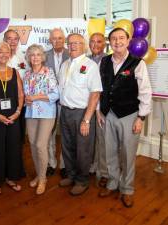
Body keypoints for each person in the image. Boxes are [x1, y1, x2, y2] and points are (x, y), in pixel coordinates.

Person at [98, 28, 152, 208]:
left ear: (128, 41)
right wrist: (99, 110)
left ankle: (127, 189)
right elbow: (100, 89)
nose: (117, 41)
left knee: (128, 154)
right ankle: (113, 183)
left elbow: (145, 92)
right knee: (109, 151)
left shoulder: (138, 63)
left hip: (129, 115)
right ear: (110, 42)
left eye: (121, 38)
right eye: (113, 38)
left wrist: (141, 118)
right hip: (108, 114)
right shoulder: (104, 62)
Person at [58, 33, 102, 196]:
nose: (73, 46)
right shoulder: (64, 64)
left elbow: (95, 94)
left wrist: (86, 120)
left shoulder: (90, 66)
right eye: (70, 43)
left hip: (82, 113)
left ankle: (82, 180)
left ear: (83, 45)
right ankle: (71, 175)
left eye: (76, 43)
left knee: (83, 149)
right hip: (65, 111)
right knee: (67, 146)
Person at [0, 41, 24, 194]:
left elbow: (21, 95)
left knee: (13, 147)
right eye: (0, 51)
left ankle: (11, 177)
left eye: (6, 52)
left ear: (10, 55)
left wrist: (18, 112)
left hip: (14, 117)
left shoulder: (15, 72)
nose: (4, 54)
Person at [23, 44, 59, 195]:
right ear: (29, 58)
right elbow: (25, 95)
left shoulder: (48, 72)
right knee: (32, 145)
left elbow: (55, 94)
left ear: (42, 57)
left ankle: (43, 179)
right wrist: (27, 100)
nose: (35, 57)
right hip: (31, 113)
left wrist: (36, 97)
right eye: (32, 55)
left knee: (40, 145)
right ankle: (39, 174)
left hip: (46, 113)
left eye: (38, 54)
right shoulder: (26, 74)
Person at [45, 28, 69, 178]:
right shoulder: (44, 56)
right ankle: (51, 163)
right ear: (50, 40)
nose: (57, 41)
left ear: (64, 39)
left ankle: (64, 165)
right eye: (54, 38)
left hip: (67, 102)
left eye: (60, 38)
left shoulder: (72, 54)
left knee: (66, 134)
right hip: (49, 102)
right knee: (49, 134)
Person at [88, 32, 108, 187]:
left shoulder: (109, 61)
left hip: (101, 108)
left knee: (102, 141)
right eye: (92, 41)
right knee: (89, 139)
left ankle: (103, 172)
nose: (95, 44)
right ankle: (91, 166)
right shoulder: (84, 60)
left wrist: (98, 109)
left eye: (99, 41)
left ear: (104, 44)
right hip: (86, 106)